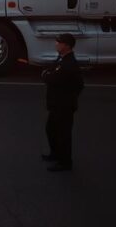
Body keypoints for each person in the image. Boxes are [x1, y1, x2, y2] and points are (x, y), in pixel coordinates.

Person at [41, 33, 84, 171]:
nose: (56, 44)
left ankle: (65, 162)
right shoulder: (62, 59)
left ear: (66, 45)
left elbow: (51, 78)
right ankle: (56, 154)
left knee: (63, 134)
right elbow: (51, 73)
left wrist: (69, 98)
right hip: (57, 105)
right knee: (51, 130)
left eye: (58, 42)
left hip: (63, 106)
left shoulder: (69, 64)